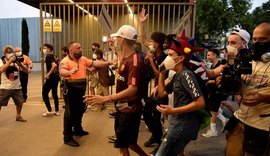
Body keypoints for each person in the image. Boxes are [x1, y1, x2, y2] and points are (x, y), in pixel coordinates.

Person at [84, 25, 148, 156]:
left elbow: (133, 89)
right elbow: (121, 56)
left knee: (123, 145)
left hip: (129, 110)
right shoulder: (127, 57)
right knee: (127, 142)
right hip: (122, 108)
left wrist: (106, 98)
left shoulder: (134, 61)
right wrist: (113, 47)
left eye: (118, 37)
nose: (116, 40)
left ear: (122, 40)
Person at [155, 35, 205, 156]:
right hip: (176, 123)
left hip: (183, 125)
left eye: (171, 55)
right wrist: (162, 73)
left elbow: (200, 102)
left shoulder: (186, 75)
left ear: (181, 58)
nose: (167, 57)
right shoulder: (177, 75)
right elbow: (162, 93)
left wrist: (173, 110)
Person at [225, 21, 270, 156]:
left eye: (262, 39)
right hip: (241, 119)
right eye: (255, 39)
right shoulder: (249, 61)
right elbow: (241, 86)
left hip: (262, 126)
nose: (257, 42)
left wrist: (264, 97)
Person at [59, 41, 111, 147]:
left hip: (81, 89)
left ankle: (78, 129)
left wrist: (108, 63)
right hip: (71, 90)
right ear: (71, 50)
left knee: (81, 109)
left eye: (81, 47)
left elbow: (95, 63)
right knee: (70, 113)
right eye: (78, 48)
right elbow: (62, 71)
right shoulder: (65, 61)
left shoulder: (83, 59)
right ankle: (67, 137)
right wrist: (69, 73)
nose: (80, 49)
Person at [139, 8, 168, 152]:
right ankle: (156, 136)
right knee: (148, 113)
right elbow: (143, 40)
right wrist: (142, 23)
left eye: (153, 41)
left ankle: (158, 140)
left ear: (157, 44)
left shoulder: (163, 57)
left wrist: (150, 61)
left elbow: (159, 74)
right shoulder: (155, 50)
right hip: (156, 88)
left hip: (164, 90)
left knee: (154, 115)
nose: (150, 43)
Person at [201, 49, 228, 137]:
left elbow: (219, 80)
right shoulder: (213, 65)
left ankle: (213, 130)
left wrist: (207, 81)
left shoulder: (220, 65)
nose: (207, 57)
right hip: (213, 91)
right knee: (212, 108)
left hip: (217, 91)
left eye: (209, 55)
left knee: (212, 110)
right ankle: (224, 120)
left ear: (215, 55)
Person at [0, 45, 29, 122]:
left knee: (20, 102)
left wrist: (20, 64)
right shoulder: (1, 61)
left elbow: (27, 71)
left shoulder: (16, 61)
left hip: (17, 87)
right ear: (4, 53)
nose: (9, 54)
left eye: (10, 52)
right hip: (5, 87)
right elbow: (1, 70)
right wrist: (9, 62)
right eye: (7, 52)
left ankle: (18, 116)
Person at [41, 43, 60, 117]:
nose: (44, 49)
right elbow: (57, 63)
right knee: (54, 94)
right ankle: (57, 110)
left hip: (51, 78)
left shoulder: (48, 56)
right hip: (56, 78)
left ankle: (49, 110)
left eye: (45, 48)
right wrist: (44, 61)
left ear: (49, 49)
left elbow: (54, 65)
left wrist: (48, 74)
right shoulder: (54, 56)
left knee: (44, 93)